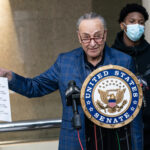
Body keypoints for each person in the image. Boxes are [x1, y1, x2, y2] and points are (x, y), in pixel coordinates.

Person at [0, 12, 142, 150]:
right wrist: (9, 77)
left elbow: (134, 111)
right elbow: (34, 87)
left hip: (112, 140)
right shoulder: (65, 62)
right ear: (79, 37)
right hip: (75, 141)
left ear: (105, 34)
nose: (92, 43)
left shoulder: (123, 61)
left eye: (97, 37)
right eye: (86, 38)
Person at [112, 3, 150, 150]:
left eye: (141, 23)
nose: (137, 26)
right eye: (132, 21)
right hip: (122, 132)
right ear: (122, 25)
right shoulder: (111, 56)